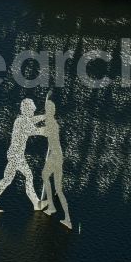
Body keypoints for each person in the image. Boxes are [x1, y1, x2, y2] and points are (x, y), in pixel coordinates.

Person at [0, 98, 46, 213]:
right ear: (27, 110)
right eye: (32, 109)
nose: (34, 110)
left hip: (14, 154)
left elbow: (32, 120)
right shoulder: (22, 121)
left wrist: (44, 116)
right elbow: (34, 131)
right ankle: (36, 203)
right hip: (16, 156)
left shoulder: (21, 119)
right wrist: (48, 130)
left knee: (7, 179)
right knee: (28, 176)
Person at [38, 94, 71, 229]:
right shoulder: (54, 122)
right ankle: (67, 219)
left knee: (45, 176)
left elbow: (43, 132)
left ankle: (51, 206)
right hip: (59, 155)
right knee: (59, 188)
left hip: (54, 156)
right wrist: (46, 98)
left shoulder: (51, 124)